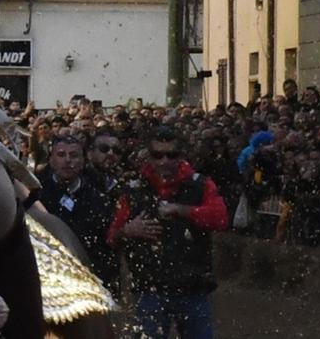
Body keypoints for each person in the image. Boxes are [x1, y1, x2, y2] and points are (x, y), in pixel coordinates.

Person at [108, 126, 228, 339]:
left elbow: (220, 218)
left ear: (181, 155)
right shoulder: (134, 189)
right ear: (149, 156)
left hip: (193, 287)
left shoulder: (200, 185)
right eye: (158, 155)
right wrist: (128, 230)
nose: (164, 161)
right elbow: (112, 237)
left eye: (171, 155)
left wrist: (182, 210)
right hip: (149, 288)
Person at [38, 133, 119, 287]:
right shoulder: (38, 192)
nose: (68, 160)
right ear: (52, 160)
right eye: (61, 155)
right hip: (51, 275)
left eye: (74, 155)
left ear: (83, 161)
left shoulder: (98, 195)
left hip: (91, 275)